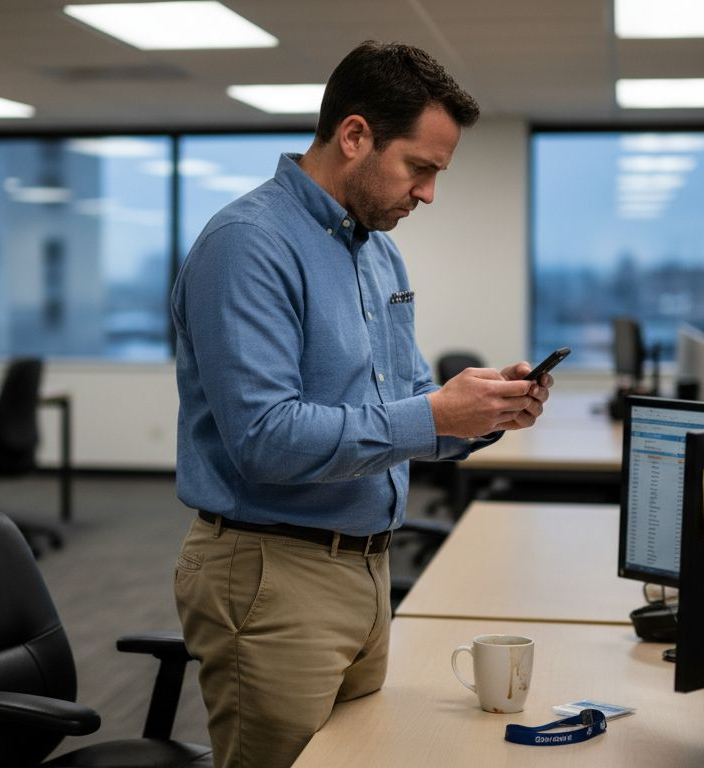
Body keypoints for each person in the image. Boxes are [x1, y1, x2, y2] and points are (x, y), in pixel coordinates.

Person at [170, 40, 553, 767]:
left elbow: (403, 407)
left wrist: (482, 415)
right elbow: (266, 439)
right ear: (354, 136)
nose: (428, 194)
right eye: (420, 168)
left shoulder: (377, 248)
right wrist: (434, 414)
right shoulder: (247, 244)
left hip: (365, 568)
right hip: (273, 571)